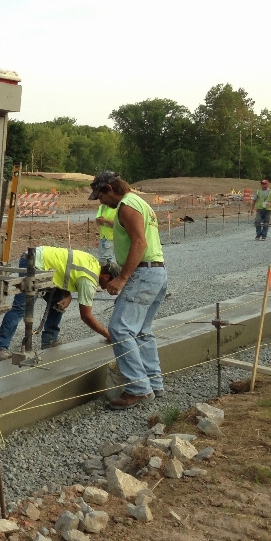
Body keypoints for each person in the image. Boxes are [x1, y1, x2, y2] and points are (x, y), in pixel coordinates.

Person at [89, 170, 167, 410]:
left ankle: (138, 388)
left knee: (120, 329)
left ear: (109, 189)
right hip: (156, 272)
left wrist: (122, 278)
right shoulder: (140, 203)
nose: (101, 202)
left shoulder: (126, 205)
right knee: (142, 331)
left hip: (142, 273)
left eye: (100, 196)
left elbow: (140, 243)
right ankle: (154, 382)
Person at [0, 246, 116, 361]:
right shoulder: (88, 280)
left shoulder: (93, 262)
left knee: (58, 301)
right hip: (34, 262)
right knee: (21, 307)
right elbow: (86, 316)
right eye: (114, 283)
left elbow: (64, 271)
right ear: (106, 277)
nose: (115, 288)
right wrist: (107, 334)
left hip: (42, 260)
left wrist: (68, 295)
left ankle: (49, 340)